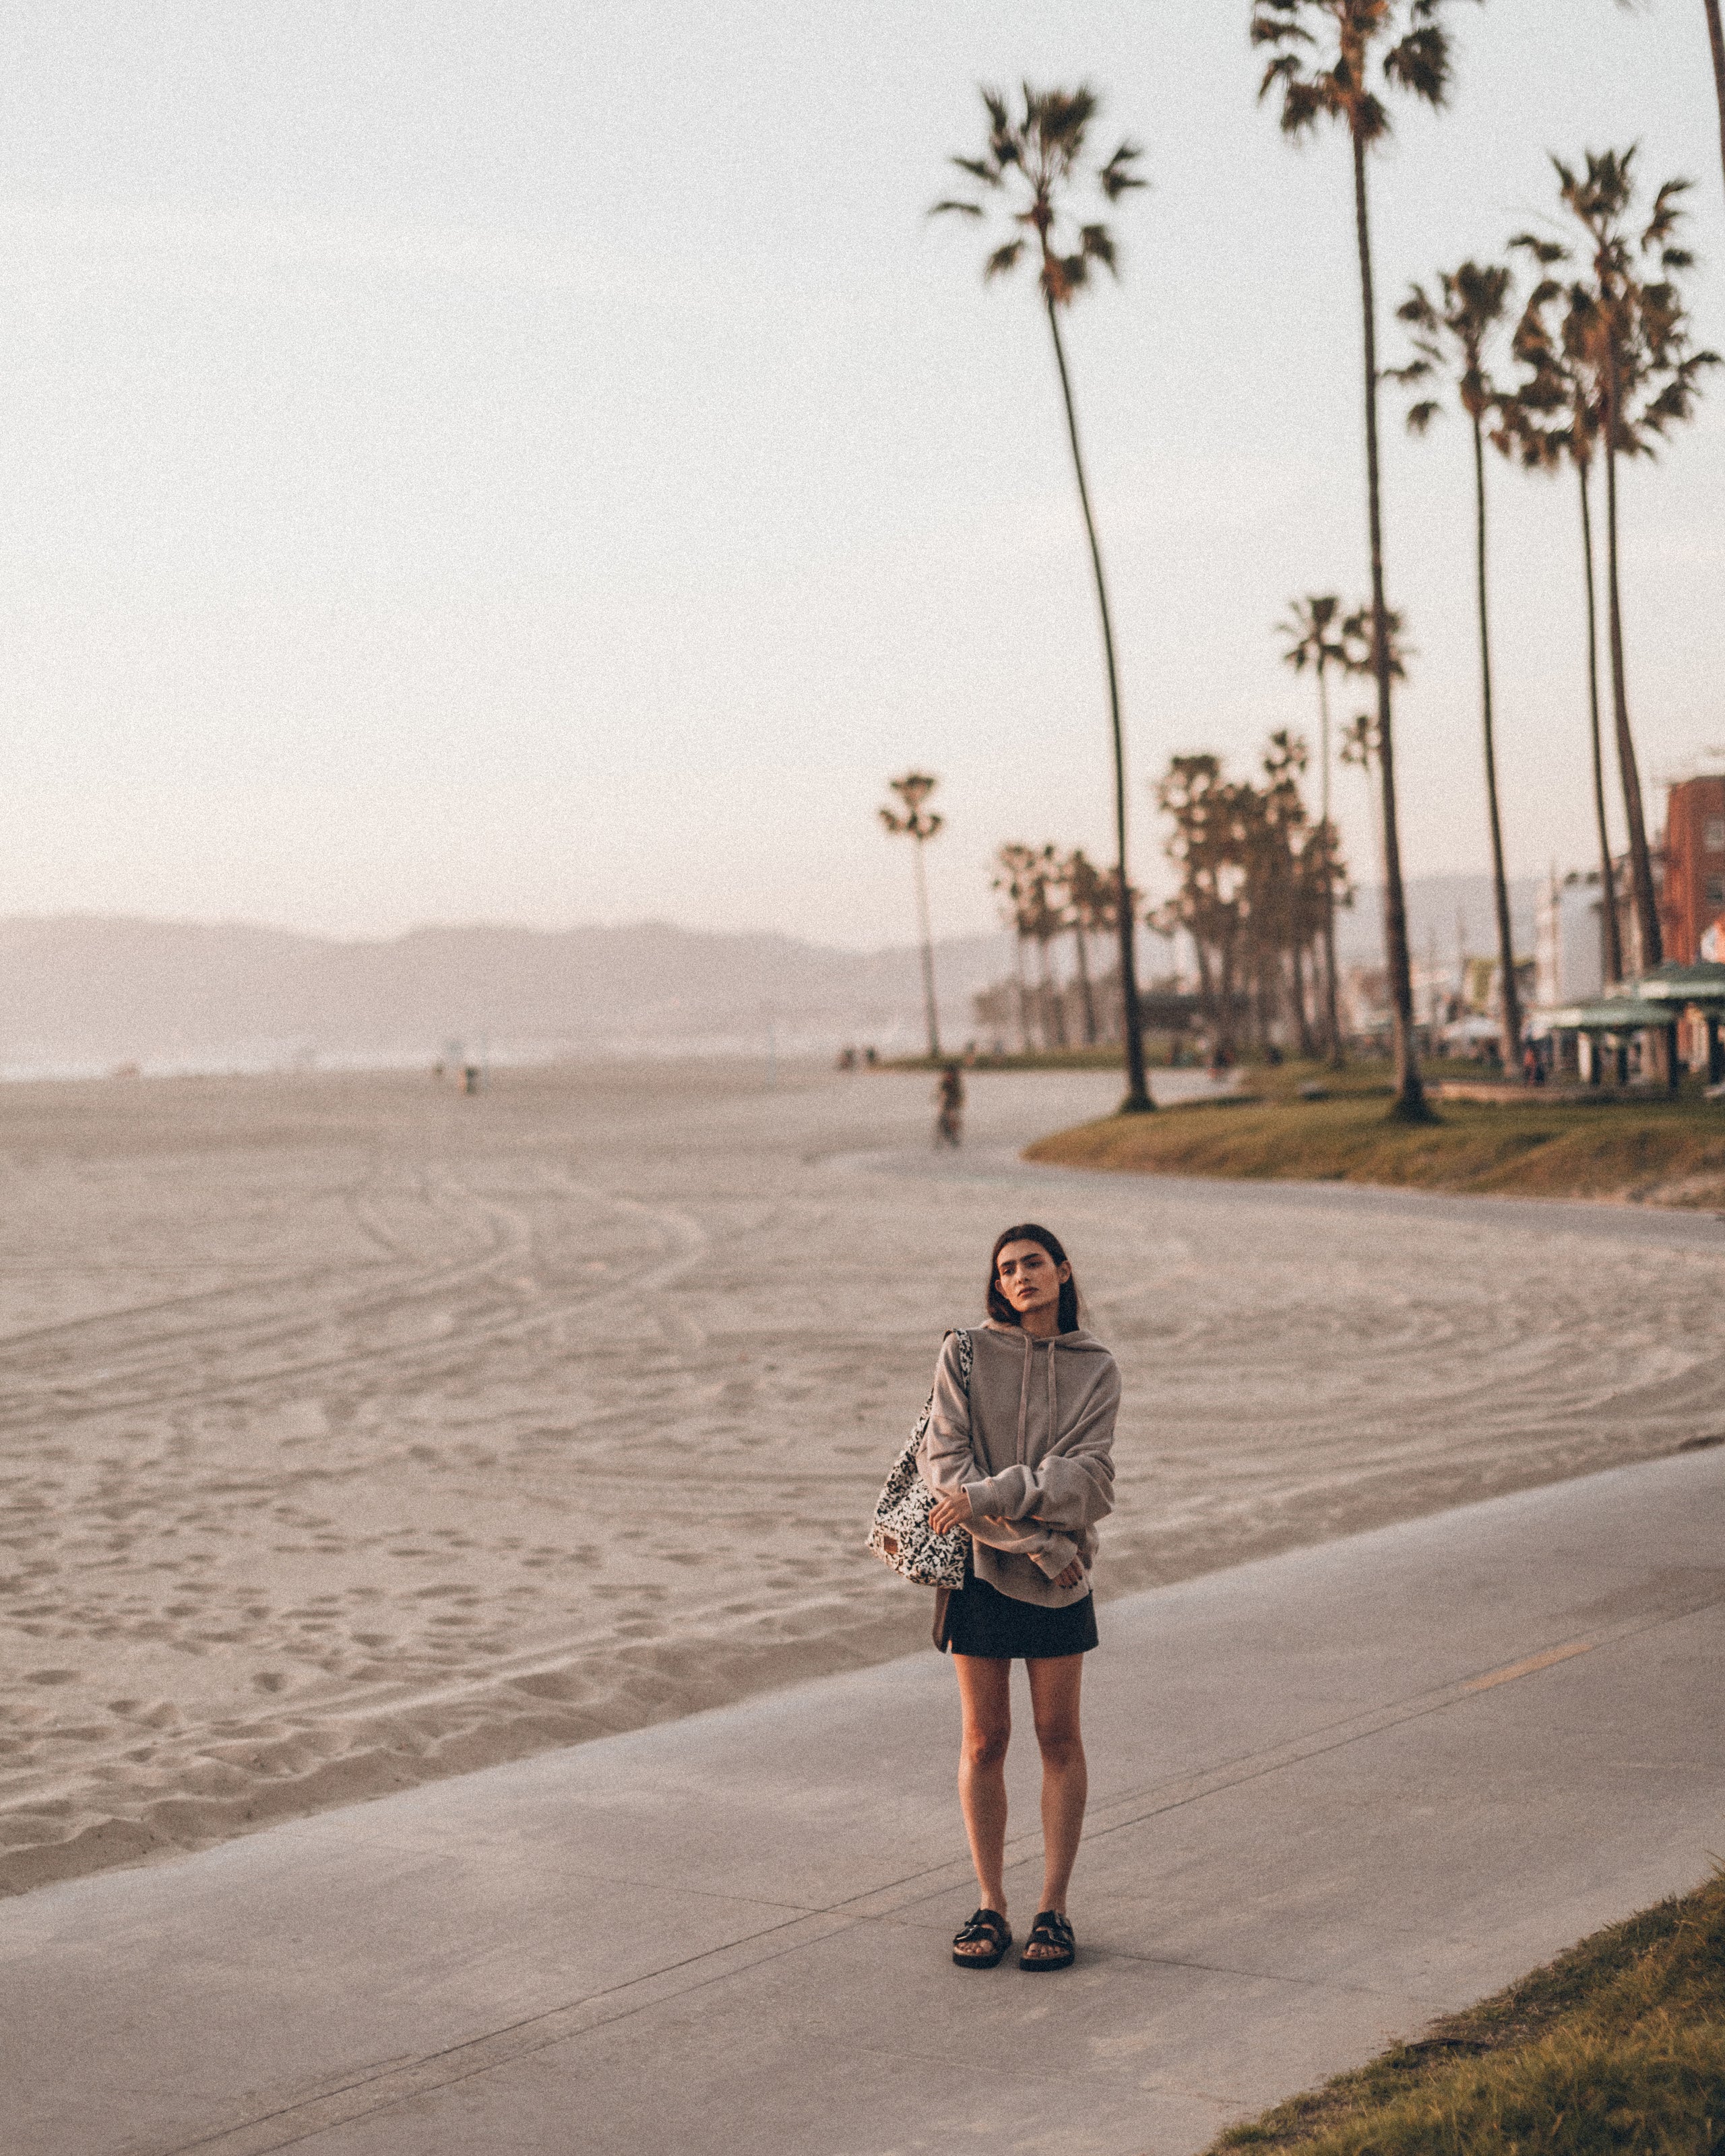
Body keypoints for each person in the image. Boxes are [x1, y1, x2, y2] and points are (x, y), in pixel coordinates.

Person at [922, 1224, 1118, 1973]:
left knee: (1057, 1736)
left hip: (1062, 1574)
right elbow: (948, 1477)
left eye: (1033, 1262)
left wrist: (993, 1497)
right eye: (1006, 1269)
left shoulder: (1096, 1366)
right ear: (996, 1285)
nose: (1020, 1276)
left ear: (1063, 1271)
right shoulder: (963, 1355)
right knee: (984, 1740)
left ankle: (1053, 1908)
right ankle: (991, 1902)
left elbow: (1088, 1479)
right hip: (992, 1569)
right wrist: (1041, 1542)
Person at [933, 1063, 964, 1149]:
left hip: (953, 1101)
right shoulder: (947, 1081)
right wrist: (940, 1101)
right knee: (943, 1120)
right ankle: (940, 1140)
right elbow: (942, 1092)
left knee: (952, 1120)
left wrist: (958, 1103)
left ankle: (953, 1138)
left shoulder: (955, 1081)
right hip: (948, 1102)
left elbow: (958, 1094)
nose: (945, 1075)